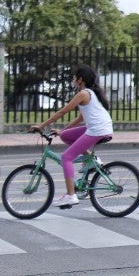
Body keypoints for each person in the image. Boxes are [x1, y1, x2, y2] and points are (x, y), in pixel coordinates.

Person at [29, 64, 114, 209]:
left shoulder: (83, 94)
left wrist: (42, 126)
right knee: (66, 136)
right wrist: (62, 130)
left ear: (81, 80)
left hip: (97, 130)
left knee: (66, 157)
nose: (73, 80)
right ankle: (91, 160)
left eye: (74, 78)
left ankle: (70, 195)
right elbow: (81, 117)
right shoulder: (90, 93)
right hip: (100, 128)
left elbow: (62, 111)